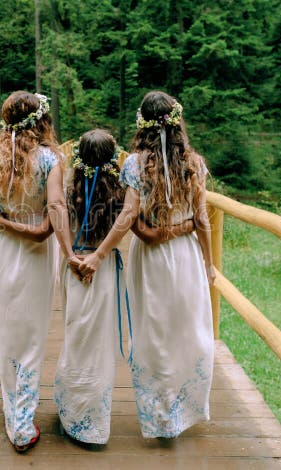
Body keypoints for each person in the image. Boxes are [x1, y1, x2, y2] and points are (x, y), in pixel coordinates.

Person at [78, 91, 217, 439]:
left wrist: (98, 254)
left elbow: (127, 216)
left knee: (153, 333)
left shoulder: (135, 165)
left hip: (151, 261)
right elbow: (202, 219)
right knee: (187, 331)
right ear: (177, 122)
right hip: (186, 257)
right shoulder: (194, 164)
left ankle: (161, 416)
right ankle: (182, 408)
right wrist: (209, 264)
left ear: (141, 125)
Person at [55, 128, 195, 445]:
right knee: (100, 345)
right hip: (103, 273)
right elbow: (128, 222)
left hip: (74, 269)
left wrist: (71, 257)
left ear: (77, 158)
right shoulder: (120, 194)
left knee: (75, 336)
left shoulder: (67, 191)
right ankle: (94, 425)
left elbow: (57, 221)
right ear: (113, 160)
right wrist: (101, 255)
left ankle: (74, 413)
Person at [0, 91, 79, 452]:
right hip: (35, 257)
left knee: (1, 330)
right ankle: (21, 421)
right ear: (41, 122)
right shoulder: (50, 160)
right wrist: (54, 243)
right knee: (31, 336)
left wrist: (5, 221)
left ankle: (13, 412)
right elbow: (53, 210)